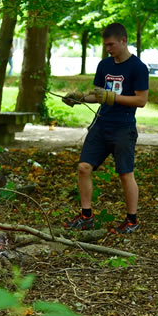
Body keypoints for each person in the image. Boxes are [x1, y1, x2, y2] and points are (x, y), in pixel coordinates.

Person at [62, 23, 149, 234]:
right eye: (106, 45)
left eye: (111, 44)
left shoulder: (138, 67)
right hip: (101, 125)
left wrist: (114, 98)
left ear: (123, 41)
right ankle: (86, 216)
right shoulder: (104, 65)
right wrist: (81, 98)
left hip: (123, 128)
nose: (108, 49)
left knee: (125, 174)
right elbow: (99, 95)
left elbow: (141, 100)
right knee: (84, 167)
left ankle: (132, 220)